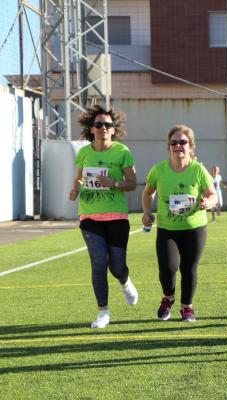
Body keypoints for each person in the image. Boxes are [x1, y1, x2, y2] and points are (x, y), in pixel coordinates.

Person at [68, 105, 139, 329]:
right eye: (98, 124)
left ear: (113, 130)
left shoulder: (122, 152)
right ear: (92, 129)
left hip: (117, 216)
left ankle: (125, 281)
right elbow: (79, 179)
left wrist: (114, 183)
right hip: (89, 216)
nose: (103, 128)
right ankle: (103, 312)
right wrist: (75, 189)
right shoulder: (84, 153)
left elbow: (132, 184)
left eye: (108, 125)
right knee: (99, 263)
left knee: (116, 266)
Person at [141, 125, 217, 322]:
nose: (178, 146)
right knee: (167, 268)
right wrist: (147, 211)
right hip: (168, 229)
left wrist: (208, 202)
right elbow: (148, 192)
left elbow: (212, 194)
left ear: (190, 146)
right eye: (173, 142)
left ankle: (187, 308)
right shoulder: (159, 170)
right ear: (169, 147)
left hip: (195, 228)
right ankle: (168, 298)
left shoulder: (198, 170)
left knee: (189, 268)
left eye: (182, 142)